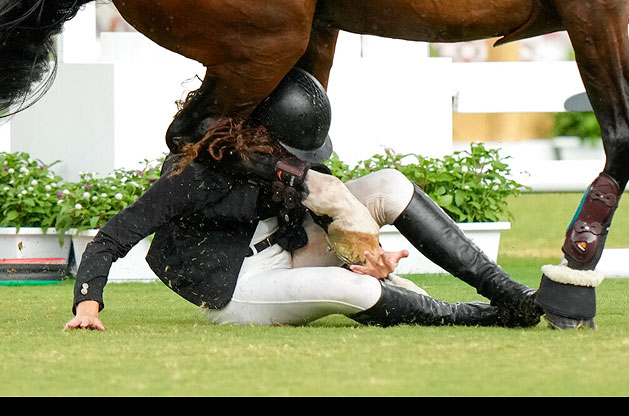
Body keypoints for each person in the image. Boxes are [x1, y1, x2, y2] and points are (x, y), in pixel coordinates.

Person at [64, 68, 542, 331]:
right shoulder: (195, 174)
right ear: (261, 137)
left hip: (291, 250)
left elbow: (333, 219)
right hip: (237, 287)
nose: (305, 164)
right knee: (351, 292)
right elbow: (111, 238)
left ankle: (508, 294)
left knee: (390, 183)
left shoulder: (291, 166)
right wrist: (88, 307)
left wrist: (367, 257)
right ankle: (483, 318)